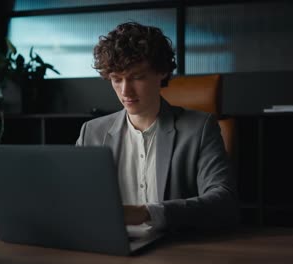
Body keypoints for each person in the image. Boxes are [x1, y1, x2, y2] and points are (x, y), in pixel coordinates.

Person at [76, 22, 238, 232]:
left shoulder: (199, 128)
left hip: (174, 250)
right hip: (110, 247)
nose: (126, 91)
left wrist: (147, 213)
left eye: (137, 77)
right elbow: (74, 199)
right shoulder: (92, 132)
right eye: (116, 79)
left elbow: (224, 201)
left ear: (161, 72)